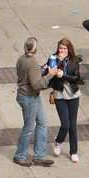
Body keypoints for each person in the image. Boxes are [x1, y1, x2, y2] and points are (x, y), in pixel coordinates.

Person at [13, 36, 57, 167]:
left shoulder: (21, 59)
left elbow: (31, 74)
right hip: (29, 97)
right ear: (36, 50)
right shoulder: (32, 63)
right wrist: (50, 75)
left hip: (29, 96)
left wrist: (43, 71)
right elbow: (36, 85)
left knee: (42, 123)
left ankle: (39, 155)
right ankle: (19, 155)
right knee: (28, 128)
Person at [48, 38, 82, 163]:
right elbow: (50, 74)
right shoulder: (53, 59)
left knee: (73, 124)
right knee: (65, 124)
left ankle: (73, 151)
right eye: (60, 48)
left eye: (64, 49)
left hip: (73, 94)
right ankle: (58, 141)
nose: (62, 51)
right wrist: (59, 61)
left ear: (69, 50)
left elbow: (76, 78)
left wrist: (64, 76)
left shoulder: (74, 61)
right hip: (59, 94)